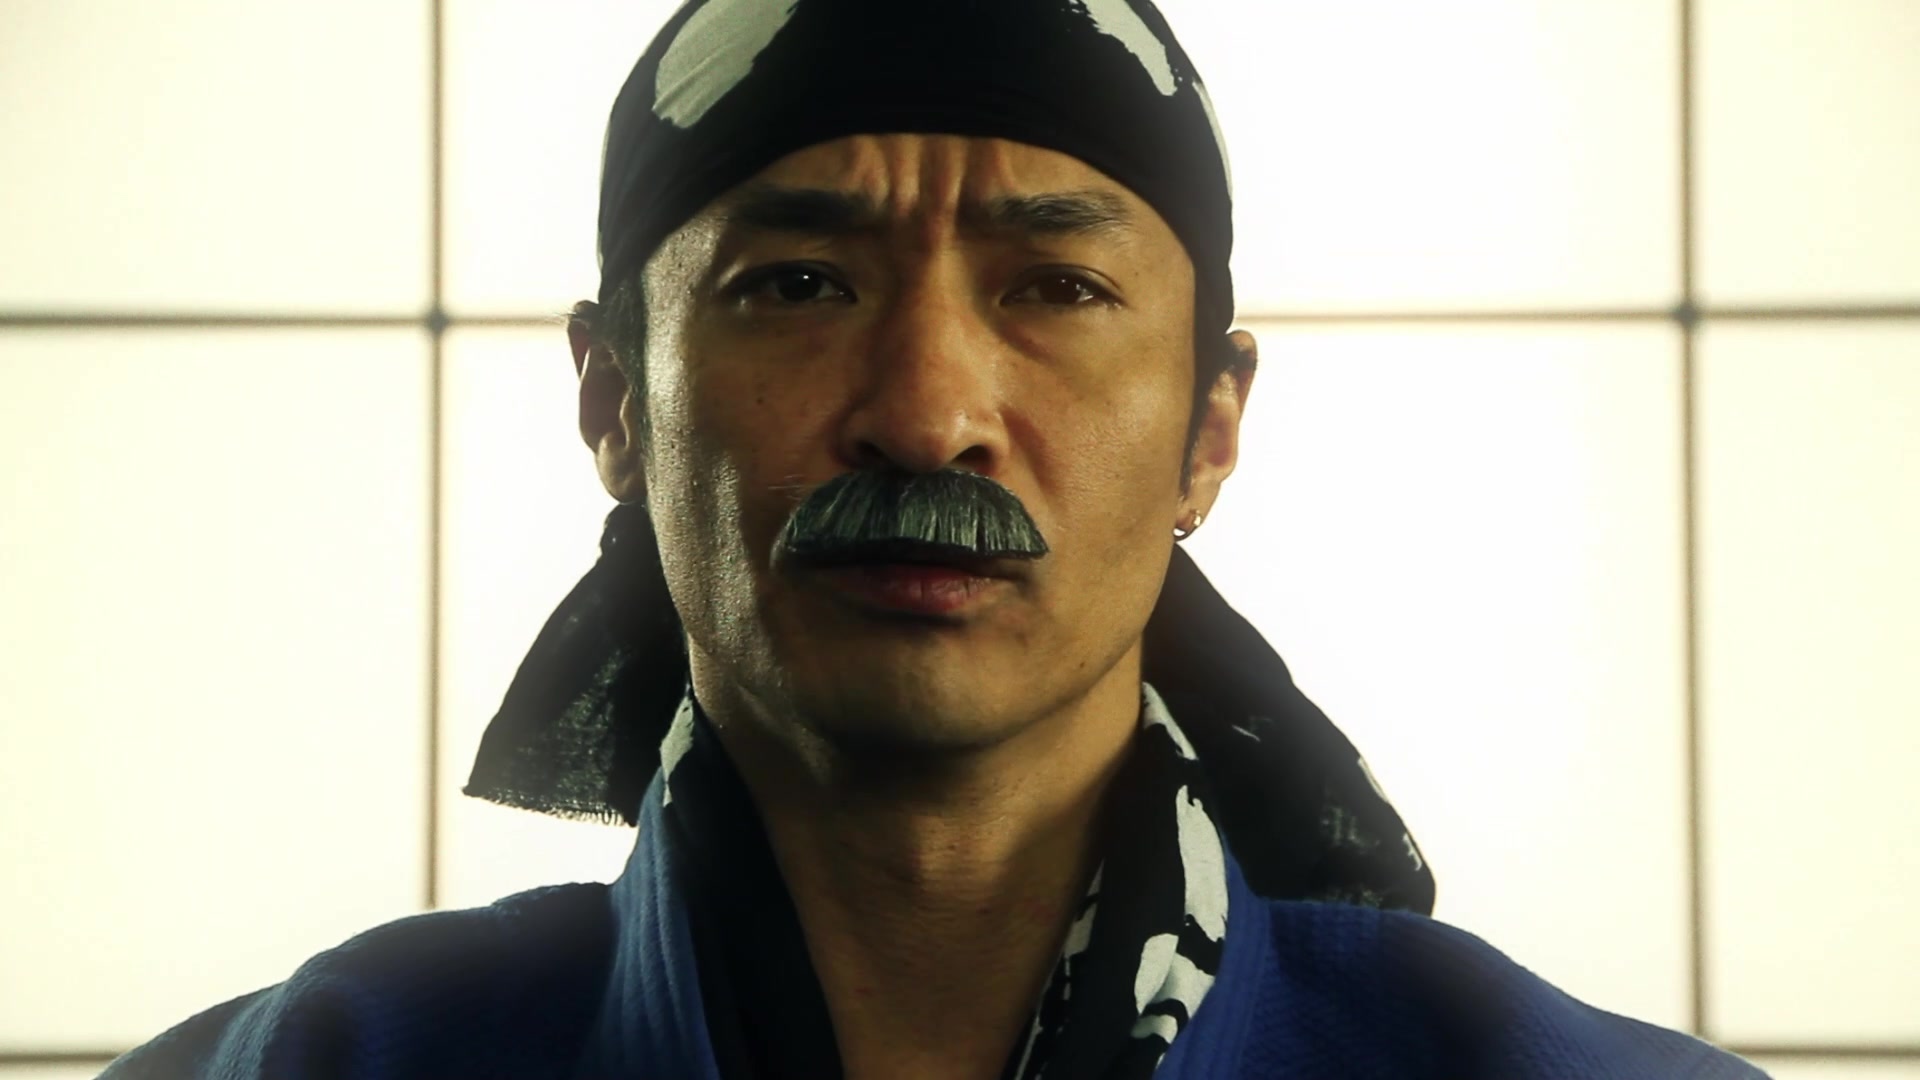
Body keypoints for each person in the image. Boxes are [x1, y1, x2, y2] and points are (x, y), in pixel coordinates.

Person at [103, 1, 1770, 1077]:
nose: (926, 413)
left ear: (1209, 429)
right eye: (798, 284)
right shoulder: (321, 1065)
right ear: (616, 403)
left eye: (1057, 287)